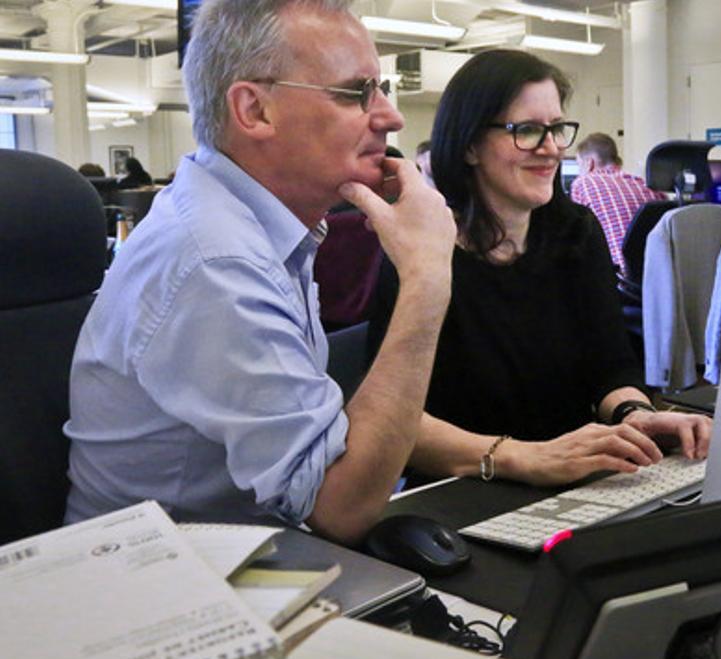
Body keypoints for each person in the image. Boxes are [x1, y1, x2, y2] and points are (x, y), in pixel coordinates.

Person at [63, 0, 456, 545]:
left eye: (382, 88)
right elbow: (340, 507)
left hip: (234, 555)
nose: (390, 116)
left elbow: (323, 438)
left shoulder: (261, 225)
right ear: (254, 111)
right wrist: (427, 277)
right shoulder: (216, 260)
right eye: (355, 92)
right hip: (152, 592)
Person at [370, 50, 710, 487]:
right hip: (463, 489)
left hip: (574, 476)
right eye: (527, 131)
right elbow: (395, 421)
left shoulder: (577, 233)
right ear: (470, 145)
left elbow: (610, 366)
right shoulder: (419, 252)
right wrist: (527, 458)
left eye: (556, 129)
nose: (551, 149)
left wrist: (635, 415)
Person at [569, 132, 662, 276]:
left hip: (617, 278)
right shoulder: (646, 185)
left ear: (589, 163)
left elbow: (575, 239)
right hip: (656, 278)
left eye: (579, 164)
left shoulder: (583, 183)